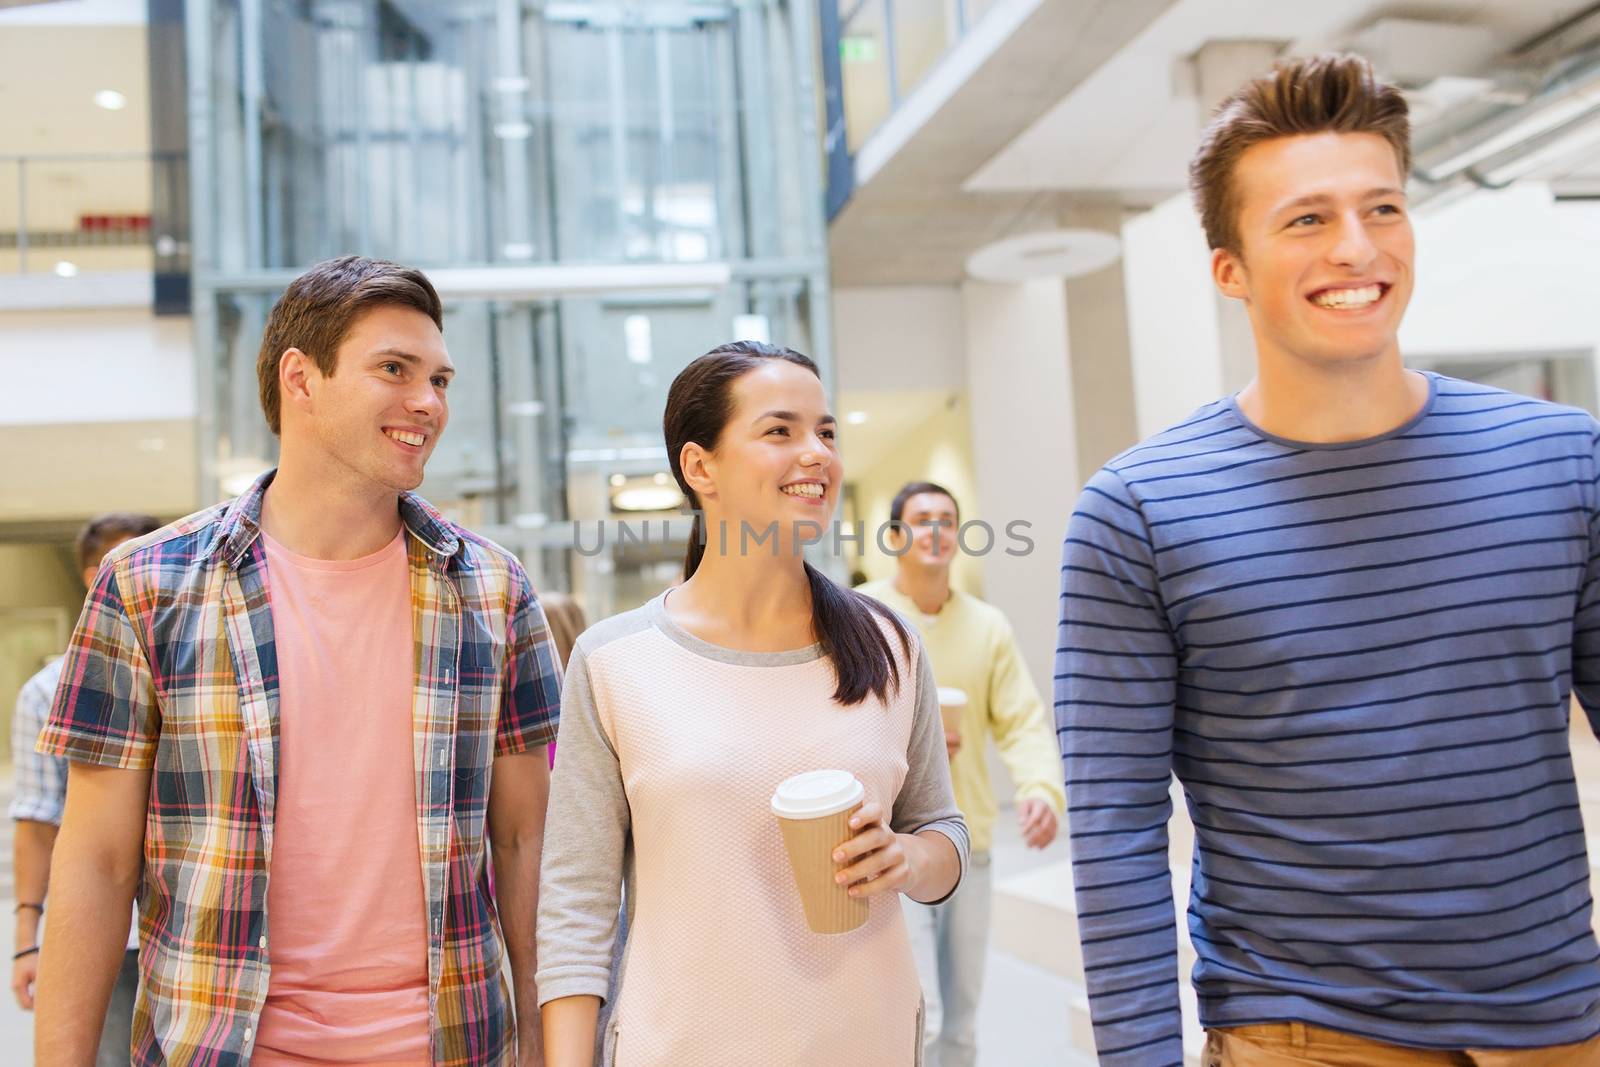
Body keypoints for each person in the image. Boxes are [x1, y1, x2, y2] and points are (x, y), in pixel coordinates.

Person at [1058, 52, 1600, 1067]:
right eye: (1305, 219)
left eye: (1382, 209)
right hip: (1306, 1034)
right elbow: (1116, 833)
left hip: (1559, 1023)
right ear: (1230, 269)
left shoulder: (1562, 456)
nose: (1356, 248)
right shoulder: (1137, 511)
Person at [33, 255, 563, 1066]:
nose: (429, 401)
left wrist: (550, 1048)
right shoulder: (148, 583)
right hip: (220, 1044)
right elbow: (97, 860)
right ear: (300, 378)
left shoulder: (491, 590)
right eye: (395, 369)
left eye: (442, 379)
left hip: (450, 1044)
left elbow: (528, 841)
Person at [537, 340, 969, 1066]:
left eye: (826, 432)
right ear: (699, 466)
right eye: (781, 431)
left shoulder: (892, 644)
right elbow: (576, 908)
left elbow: (942, 832)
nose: (818, 454)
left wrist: (904, 857)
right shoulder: (615, 662)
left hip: (866, 1042)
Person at [857, 481, 1064, 1067]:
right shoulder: (862, 618)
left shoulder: (988, 626)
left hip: (968, 842)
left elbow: (1021, 719)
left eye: (948, 520)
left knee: (964, 1023)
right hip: (891, 844)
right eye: (923, 520)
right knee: (920, 1014)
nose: (938, 531)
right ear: (895, 537)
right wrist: (911, 745)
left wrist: (1040, 789)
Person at [10, 512, 160, 1065]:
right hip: (108, 937)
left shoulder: (189, 666)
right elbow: (36, 815)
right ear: (98, 573)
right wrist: (28, 937)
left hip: (188, 927)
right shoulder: (45, 691)